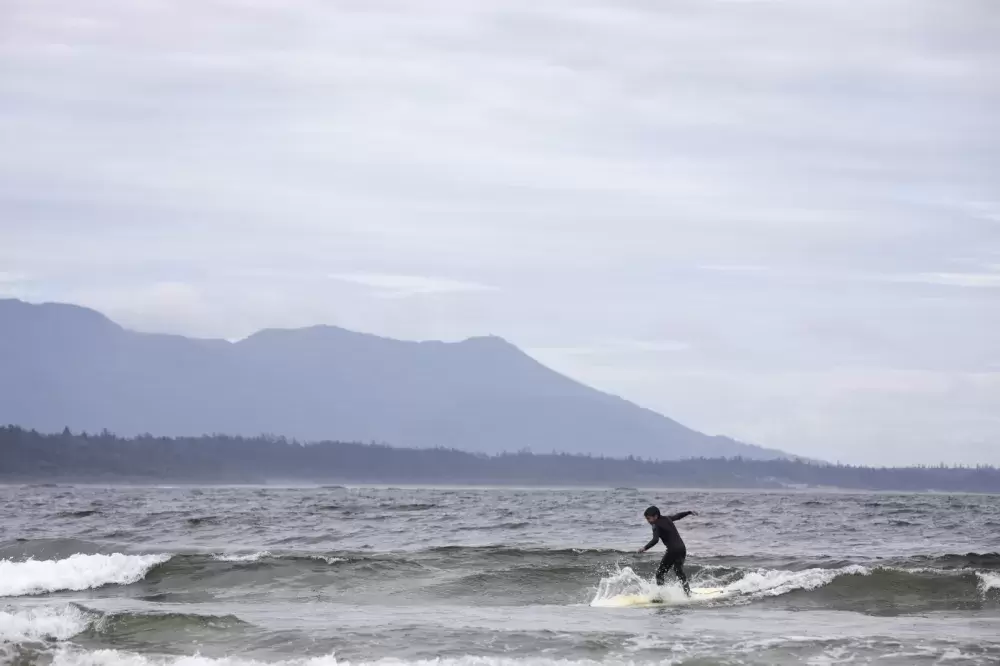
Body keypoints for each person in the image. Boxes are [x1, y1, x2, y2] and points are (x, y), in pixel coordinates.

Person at [637, 505, 695, 595]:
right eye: (646, 519)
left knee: (659, 574)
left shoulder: (655, 525)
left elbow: (655, 540)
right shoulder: (667, 518)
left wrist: (644, 548)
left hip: (672, 550)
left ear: (656, 516)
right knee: (678, 571)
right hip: (682, 549)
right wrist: (688, 512)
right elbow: (677, 516)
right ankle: (687, 592)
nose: (648, 521)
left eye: (649, 518)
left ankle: (661, 595)